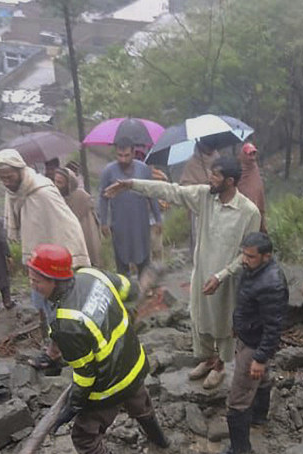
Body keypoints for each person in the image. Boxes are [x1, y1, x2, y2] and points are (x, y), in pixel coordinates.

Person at [27, 244, 170, 454]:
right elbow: (130, 288)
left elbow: (86, 376)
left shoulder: (67, 322)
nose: (32, 285)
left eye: (36, 280)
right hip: (133, 362)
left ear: (54, 279)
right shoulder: (92, 275)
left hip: (109, 383)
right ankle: (161, 442)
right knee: (140, 404)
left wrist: (74, 406)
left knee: (84, 436)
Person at [105, 156, 261, 391]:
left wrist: (222, 275)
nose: (210, 178)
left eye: (215, 175)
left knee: (223, 323)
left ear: (230, 181)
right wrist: (131, 185)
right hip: (201, 275)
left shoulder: (248, 212)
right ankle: (207, 360)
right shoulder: (205, 197)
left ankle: (219, 366)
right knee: (200, 319)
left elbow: (247, 254)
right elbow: (171, 191)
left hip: (227, 280)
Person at [217, 232, 288, 454]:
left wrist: (260, 357)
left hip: (255, 344)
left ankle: (239, 448)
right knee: (262, 379)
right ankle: (259, 417)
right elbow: (246, 303)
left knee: (238, 397)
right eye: (243, 254)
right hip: (249, 334)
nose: (244, 260)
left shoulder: (272, 284)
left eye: (250, 256)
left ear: (266, 257)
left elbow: (274, 326)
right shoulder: (253, 270)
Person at [0, 148, 90, 267]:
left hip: (55, 253)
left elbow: (67, 225)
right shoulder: (13, 191)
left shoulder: (43, 192)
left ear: (20, 172)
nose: (6, 182)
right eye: (2, 178)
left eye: (9, 177)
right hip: (35, 254)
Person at [98, 139, 161, 276]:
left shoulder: (143, 169)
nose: (123, 159)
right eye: (119, 155)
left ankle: (145, 290)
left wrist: (158, 219)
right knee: (121, 258)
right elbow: (103, 198)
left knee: (144, 257)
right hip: (119, 223)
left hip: (140, 221)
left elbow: (152, 194)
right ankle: (125, 289)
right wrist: (103, 222)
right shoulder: (108, 172)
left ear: (133, 153)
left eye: (126, 155)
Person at [52, 168, 103, 269]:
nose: (56, 185)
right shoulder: (56, 197)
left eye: (60, 182)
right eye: (55, 181)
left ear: (68, 184)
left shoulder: (81, 198)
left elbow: (90, 230)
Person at [180, 140, 218, 252]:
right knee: (199, 241)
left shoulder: (218, 159)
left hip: (217, 205)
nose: (209, 150)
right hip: (198, 209)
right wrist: (202, 186)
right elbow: (185, 186)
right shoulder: (192, 164)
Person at [238, 142, 267, 232]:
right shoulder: (239, 171)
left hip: (257, 209)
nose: (252, 157)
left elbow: (258, 190)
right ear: (243, 155)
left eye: (254, 154)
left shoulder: (255, 169)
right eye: (249, 154)